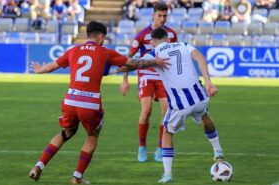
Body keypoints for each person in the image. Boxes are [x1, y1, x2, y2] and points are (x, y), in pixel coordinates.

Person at [28, 21, 169, 184]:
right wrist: (155, 61)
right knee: (92, 135)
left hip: (70, 100)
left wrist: (40, 69)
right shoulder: (105, 52)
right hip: (90, 102)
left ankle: (38, 166)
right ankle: (77, 176)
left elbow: (51, 66)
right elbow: (133, 63)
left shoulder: (73, 50)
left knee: (66, 133)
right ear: (101, 36)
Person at [116, 27, 225, 183]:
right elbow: (200, 57)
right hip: (200, 96)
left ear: (153, 42)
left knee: (167, 132)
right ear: (168, 38)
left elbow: (137, 64)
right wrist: (208, 82)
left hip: (180, 103)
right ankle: (218, 150)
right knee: (204, 116)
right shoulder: (184, 45)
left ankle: (167, 174)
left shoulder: (154, 53)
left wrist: (117, 69)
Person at [120, 1, 177, 163]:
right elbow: (129, 58)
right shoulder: (142, 35)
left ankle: (160, 148)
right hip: (145, 74)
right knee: (146, 110)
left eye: (165, 16)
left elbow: (173, 56)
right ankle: (142, 148)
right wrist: (125, 79)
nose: (163, 19)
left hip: (164, 77)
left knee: (166, 113)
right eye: (160, 15)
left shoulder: (171, 35)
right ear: (153, 15)